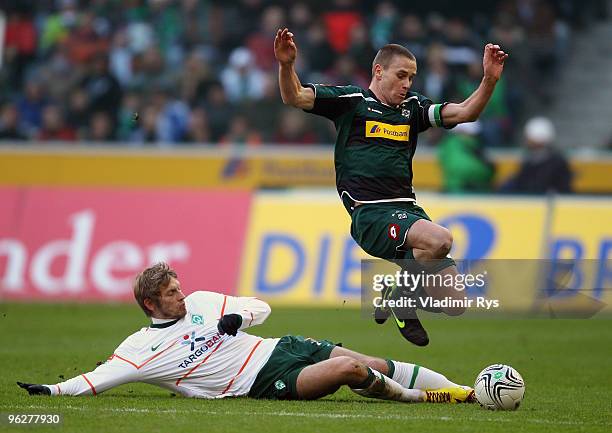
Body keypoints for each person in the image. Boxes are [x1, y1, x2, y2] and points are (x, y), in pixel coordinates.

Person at [274, 28, 508, 346]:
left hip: (407, 211)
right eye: (401, 75)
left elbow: (466, 112)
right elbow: (295, 96)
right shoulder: (352, 102)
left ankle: (397, 296)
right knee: (441, 239)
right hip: (371, 215)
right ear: (379, 71)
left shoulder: (413, 109)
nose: (407, 84)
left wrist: (490, 80)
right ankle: (403, 296)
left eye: (411, 77)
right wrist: (287, 66)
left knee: (455, 304)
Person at [18, 263, 475, 404]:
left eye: (180, 288)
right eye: (171, 294)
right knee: (349, 370)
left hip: (281, 347)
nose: (182, 296)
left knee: (374, 363)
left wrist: (242, 319)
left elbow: (261, 306)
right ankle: (423, 401)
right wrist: (52, 390)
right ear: (150, 304)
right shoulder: (143, 348)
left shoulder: (201, 303)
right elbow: (100, 379)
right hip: (259, 382)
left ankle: (464, 392)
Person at [499, 117, 572, 194]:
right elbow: (520, 182)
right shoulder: (529, 161)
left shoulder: (557, 163)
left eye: (530, 138)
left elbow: (562, 189)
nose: (527, 141)